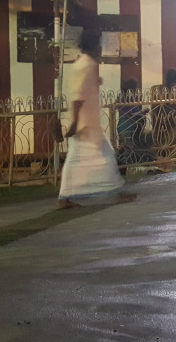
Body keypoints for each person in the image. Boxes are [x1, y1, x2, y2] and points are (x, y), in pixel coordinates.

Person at [58, 30, 125, 209]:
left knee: (78, 159)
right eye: (99, 44)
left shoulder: (83, 64)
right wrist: (74, 121)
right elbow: (78, 96)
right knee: (104, 155)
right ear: (95, 46)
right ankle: (115, 192)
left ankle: (65, 197)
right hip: (84, 123)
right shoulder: (86, 66)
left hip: (86, 121)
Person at [151, 69, 176, 166]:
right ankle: (173, 162)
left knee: (160, 144)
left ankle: (161, 162)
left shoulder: (155, 89)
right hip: (172, 123)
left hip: (159, 122)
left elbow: (154, 106)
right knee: (172, 145)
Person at [116, 79, 150, 169]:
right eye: (135, 88)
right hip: (127, 126)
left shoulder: (129, 98)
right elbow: (129, 115)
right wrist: (141, 114)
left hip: (131, 125)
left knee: (129, 147)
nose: (136, 90)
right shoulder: (124, 99)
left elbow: (133, 113)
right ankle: (124, 168)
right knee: (126, 148)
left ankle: (129, 167)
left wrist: (142, 113)